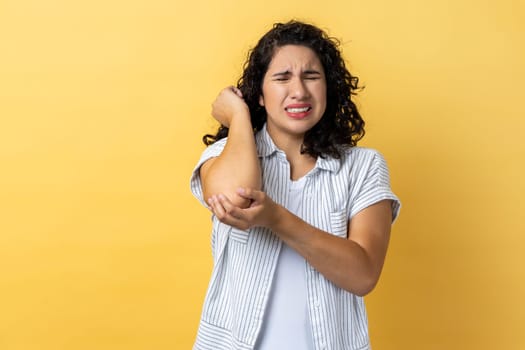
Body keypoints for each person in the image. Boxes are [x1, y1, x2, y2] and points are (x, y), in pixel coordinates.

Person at [190, 20, 400, 350]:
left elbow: (363, 275)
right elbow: (233, 199)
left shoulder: (364, 167)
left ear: (328, 88)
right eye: (282, 78)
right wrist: (239, 118)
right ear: (259, 93)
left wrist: (277, 219)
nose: (299, 91)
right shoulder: (225, 155)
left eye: (311, 77)